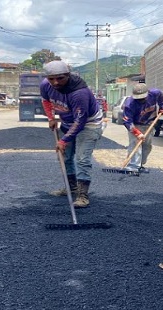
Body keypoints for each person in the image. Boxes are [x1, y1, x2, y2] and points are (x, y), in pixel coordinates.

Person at [41, 60, 103, 208]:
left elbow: (80, 120)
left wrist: (64, 140)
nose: (55, 82)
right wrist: (51, 118)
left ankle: (83, 196)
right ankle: (71, 187)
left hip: (89, 124)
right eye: (52, 79)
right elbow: (45, 101)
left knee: (82, 159)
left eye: (60, 78)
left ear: (68, 75)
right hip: (68, 122)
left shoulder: (79, 93)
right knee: (64, 156)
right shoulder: (45, 84)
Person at [121, 83, 163, 173]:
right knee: (135, 145)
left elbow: (161, 96)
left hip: (149, 123)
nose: (141, 100)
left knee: (147, 146)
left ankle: (140, 164)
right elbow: (127, 121)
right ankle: (133, 166)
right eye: (139, 98)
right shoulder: (130, 104)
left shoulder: (155, 93)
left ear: (147, 93)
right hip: (135, 125)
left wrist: (162, 107)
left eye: (143, 97)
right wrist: (137, 133)